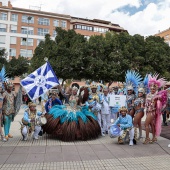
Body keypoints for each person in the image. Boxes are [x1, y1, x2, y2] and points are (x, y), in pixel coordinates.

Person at [143, 74, 167, 144]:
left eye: (154, 89)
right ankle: (154, 137)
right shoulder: (148, 95)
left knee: (146, 124)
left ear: (156, 89)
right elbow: (146, 103)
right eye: (151, 88)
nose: (152, 89)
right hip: (148, 111)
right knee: (151, 124)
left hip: (152, 112)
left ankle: (147, 138)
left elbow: (160, 105)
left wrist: (157, 100)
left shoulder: (158, 95)